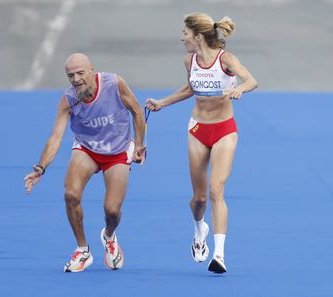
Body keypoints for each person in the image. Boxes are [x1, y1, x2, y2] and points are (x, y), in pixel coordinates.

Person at [146, 12, 258, 274]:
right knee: (199, 199)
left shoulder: (226, 60)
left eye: (185, 33)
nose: (182, 38)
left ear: (198, 36)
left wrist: (240, 88)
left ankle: (219, 255)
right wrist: (162, 102)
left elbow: (252, 80)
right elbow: (190, 89)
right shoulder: (190, 61)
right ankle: (199, 228)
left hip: (224, 130)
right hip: (197, 130)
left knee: (216, 189)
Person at [24, 53, 146, 272]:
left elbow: (137, 110)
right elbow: (56, 137)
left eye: (80, 73)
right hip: (87, 148)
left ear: (92, 69)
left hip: (118, 151)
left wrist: (139, 145)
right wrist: (41, 167)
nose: (76, 79)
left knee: (112, 210)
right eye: (71, 75)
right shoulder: (68, 99)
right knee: (71, 195)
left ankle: (109, 236)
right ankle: (82, 250)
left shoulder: (114, 83)